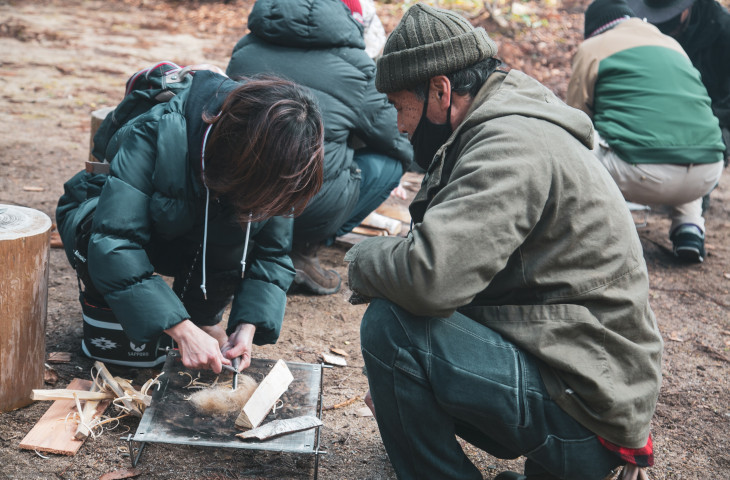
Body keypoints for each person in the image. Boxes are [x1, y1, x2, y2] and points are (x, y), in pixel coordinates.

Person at [344, 3, 663, 479]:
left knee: (393, 327)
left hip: (586, 403)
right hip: (584, 380)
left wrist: (360, 259)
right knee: (408, 340)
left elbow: (430, 279)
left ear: (440, 89)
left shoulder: (508, 146)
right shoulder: (508, 124)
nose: (399, 125)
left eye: (397, 105)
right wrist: (403, 379)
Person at [56, 67, 324, 373]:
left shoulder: (283, 164)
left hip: (184, 225)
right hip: (102, 217)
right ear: (239, 162)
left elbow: (272, 251)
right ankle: (144, 318)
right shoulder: (157, 130)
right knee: (125, 358)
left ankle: (198, 318)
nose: (269, 203)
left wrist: (246, 325)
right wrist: (182, 328)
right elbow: (113, 241)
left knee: (234, 223)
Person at [226, 0, 412, 295]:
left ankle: (246, 246)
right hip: (305, 208)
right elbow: (397, 135)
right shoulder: (357, 65)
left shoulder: (246, 47)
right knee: (389, 163)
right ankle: (301, 250)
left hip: (240, 200)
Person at [567, 0, 724, 263]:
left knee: (570, 145)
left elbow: (576, 119)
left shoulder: (592, 48)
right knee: (681, 140)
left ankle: (590, 233)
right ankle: (689, 227)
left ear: (593, 28)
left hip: (642, 175)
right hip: (708, 171)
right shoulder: (672, 45)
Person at [627, 0, 730, 163]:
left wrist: (705, 123)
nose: (666, 25)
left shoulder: (722, 28)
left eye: (670, 17)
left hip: (714, 119)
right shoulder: (649, 28)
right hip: (664, 114)